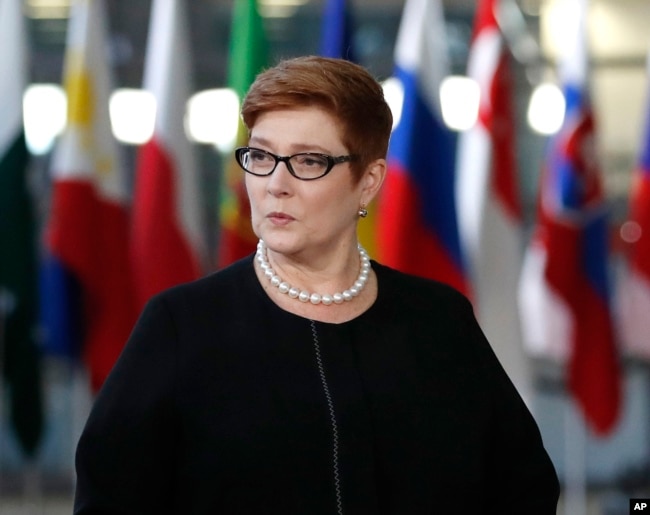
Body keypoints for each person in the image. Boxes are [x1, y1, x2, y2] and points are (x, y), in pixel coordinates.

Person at [74, 56, 559, 514]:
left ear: (367, 182)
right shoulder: (182, 324)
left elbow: (522, 487)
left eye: (308, 161)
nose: (274, 184)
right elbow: (110, 498)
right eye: (260, 156)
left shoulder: (438, 319)